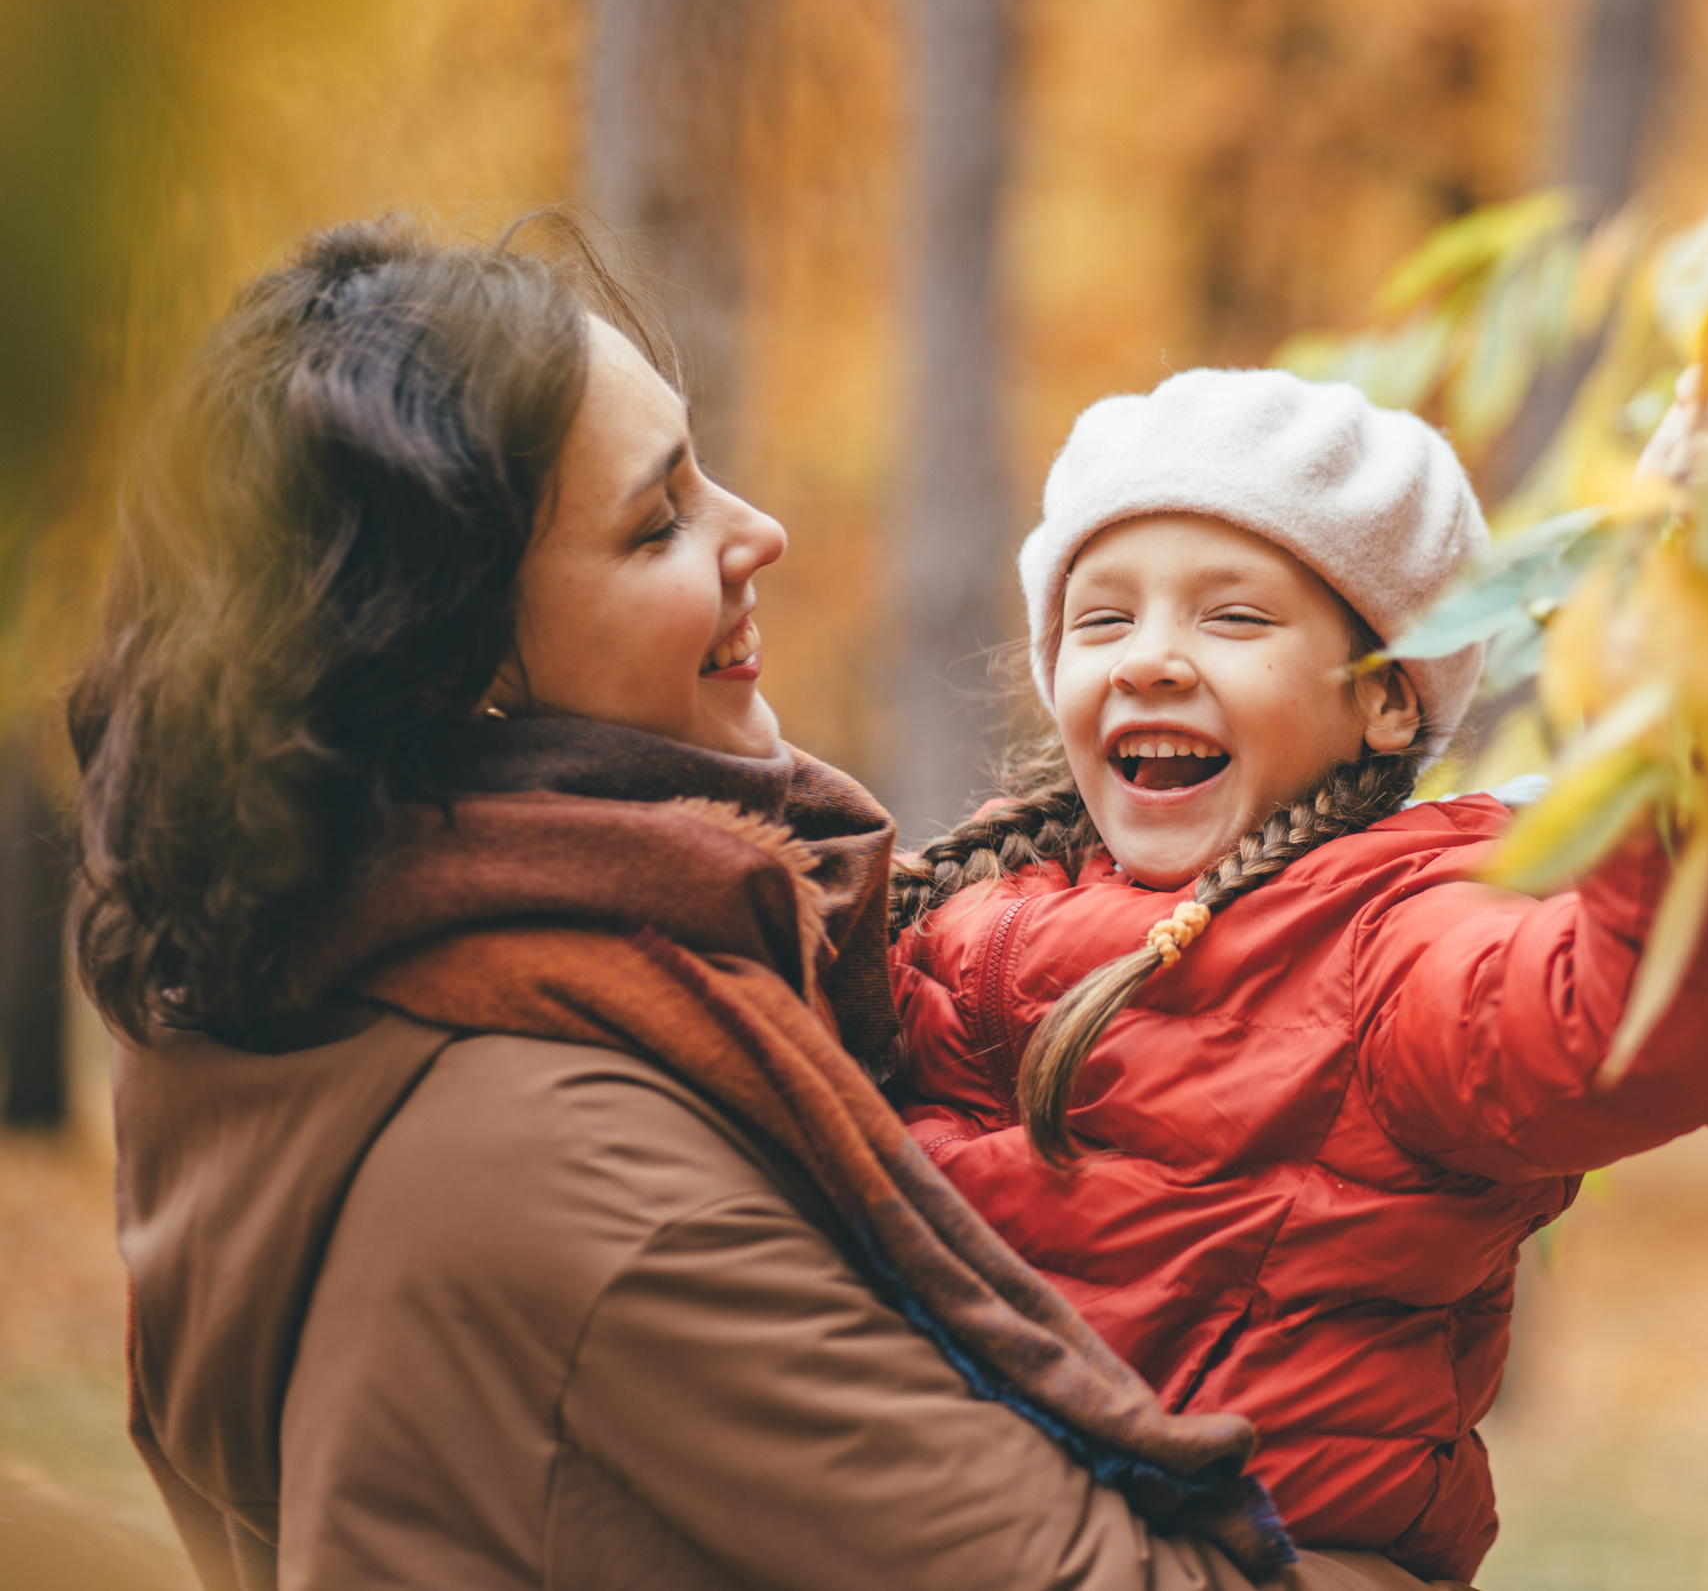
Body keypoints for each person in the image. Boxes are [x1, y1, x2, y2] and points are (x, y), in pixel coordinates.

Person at [70, 219, 1432, 1591]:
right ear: (462, 675)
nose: (758, 530)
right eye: (657, 519)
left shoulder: (313, 987)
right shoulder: (578, 1165)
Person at [889, 369, 1708, 1584]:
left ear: (1383, 700)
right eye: (1103, 620)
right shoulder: (969, 907)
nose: (1150, 659)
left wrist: (1687, 694)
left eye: (1233, 619)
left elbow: (1627, 1022)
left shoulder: (1394, 945)